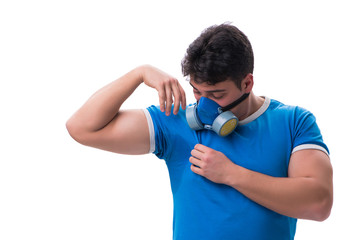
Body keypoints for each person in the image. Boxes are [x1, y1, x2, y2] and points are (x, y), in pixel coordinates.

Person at [66, 23, 333, 240]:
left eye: (217, 94)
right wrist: (140, 74)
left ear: (247, 82)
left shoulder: (294, 122)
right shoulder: (175, 120)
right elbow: (82, 127)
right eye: (197, 91)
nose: (204, 104)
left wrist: (231, 174)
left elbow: (319, 203)